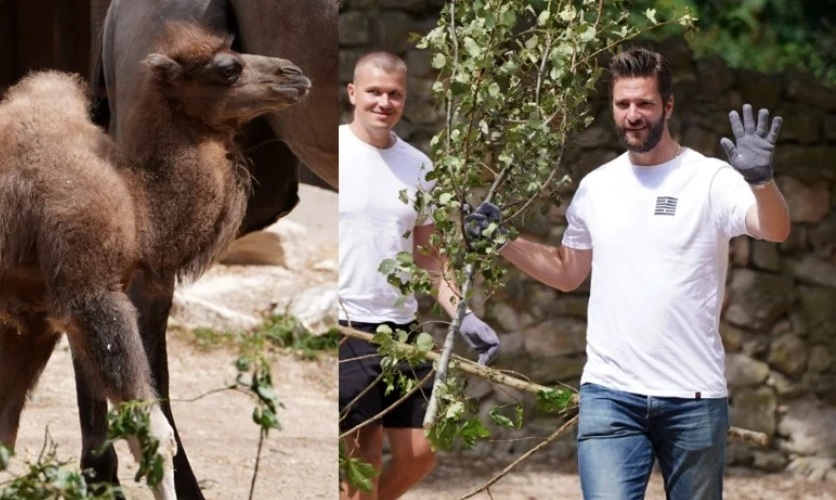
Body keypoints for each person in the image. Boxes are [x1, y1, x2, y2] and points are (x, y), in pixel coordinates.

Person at [465, 47, 790, 499]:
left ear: (668, 105)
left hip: (693, 398)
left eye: (644, 103)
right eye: (623, 104)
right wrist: (502, 239)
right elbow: (566, 272)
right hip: (610, 395)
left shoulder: (710, 179)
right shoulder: (596, 187)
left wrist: (761, 181)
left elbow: (774, 228)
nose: (633, 115)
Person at [338, 50, 501, 500]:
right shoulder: (331, 152)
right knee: (361, 464)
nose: (383, 102)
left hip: (403, 332)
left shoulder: (420, 167)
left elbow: (431, 260)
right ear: (353, 93)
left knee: (421, 453)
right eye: (374, 92)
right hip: (346, 328)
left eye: (394, 94)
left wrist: (464, 316)